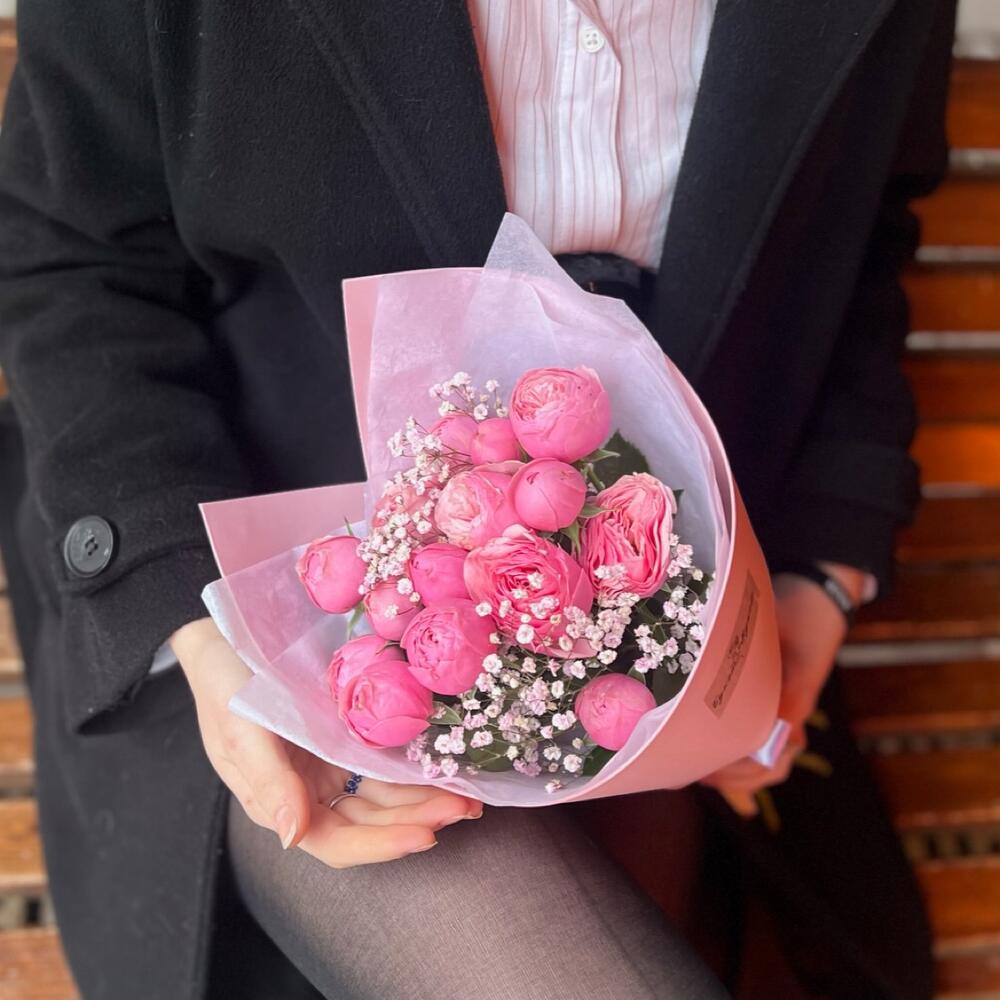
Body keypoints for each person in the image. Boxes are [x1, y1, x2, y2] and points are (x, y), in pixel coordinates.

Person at [0, 1, 957, 997]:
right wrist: (193, 615)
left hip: (672, 615)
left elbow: (862, 238)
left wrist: (820, 572)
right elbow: (75, 258)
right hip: (255, 601)